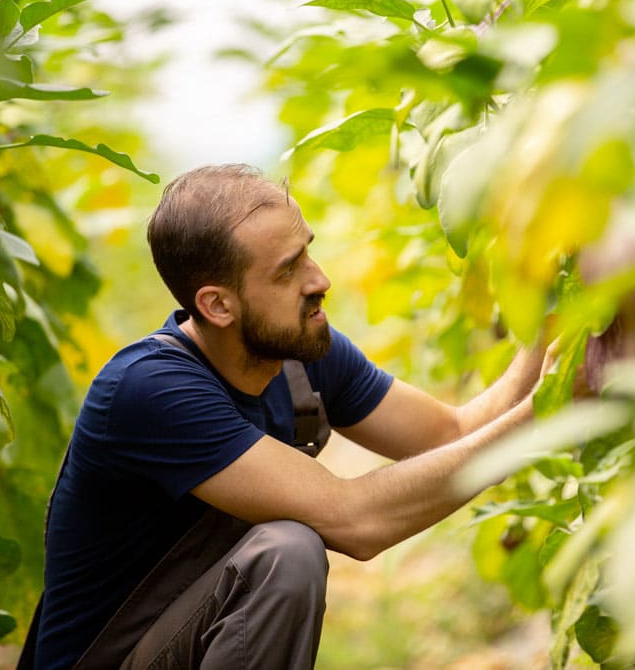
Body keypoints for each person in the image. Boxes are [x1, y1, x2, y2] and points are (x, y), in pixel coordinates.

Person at [31, 164, 552, 669]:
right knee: (288, 552)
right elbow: (356, 520)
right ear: (216, 305)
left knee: (286, 547)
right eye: (287, 270)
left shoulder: (303, 349)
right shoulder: (150, 389)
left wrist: (555, 331)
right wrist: (552, 410)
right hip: (113, 658)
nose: (319, 279)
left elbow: (452, 432)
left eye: (308, 252)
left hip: (188, 638)